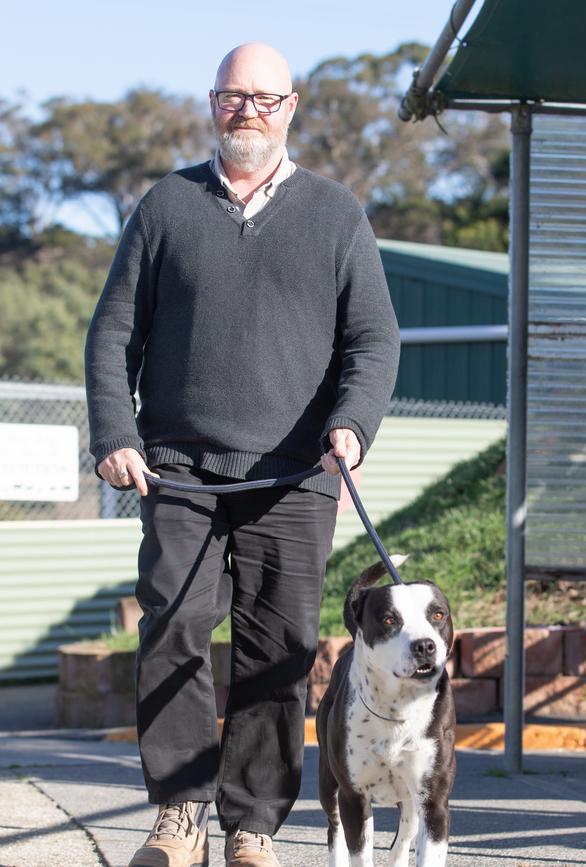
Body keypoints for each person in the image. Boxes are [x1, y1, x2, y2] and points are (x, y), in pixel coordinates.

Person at [85, 42, 400, 867]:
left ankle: (252, 826)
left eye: (265, 98)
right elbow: (113, 330)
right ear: (212, 104)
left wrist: (353, 423)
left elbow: (374, 339)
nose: (248, 111)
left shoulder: (337, 215)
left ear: (292, 107)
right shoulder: (165, 206)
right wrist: (116, 432)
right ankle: (178, 814)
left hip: (295, 476)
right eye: (234, 96)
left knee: (278, 651)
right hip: (178, 469)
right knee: (175, 627)